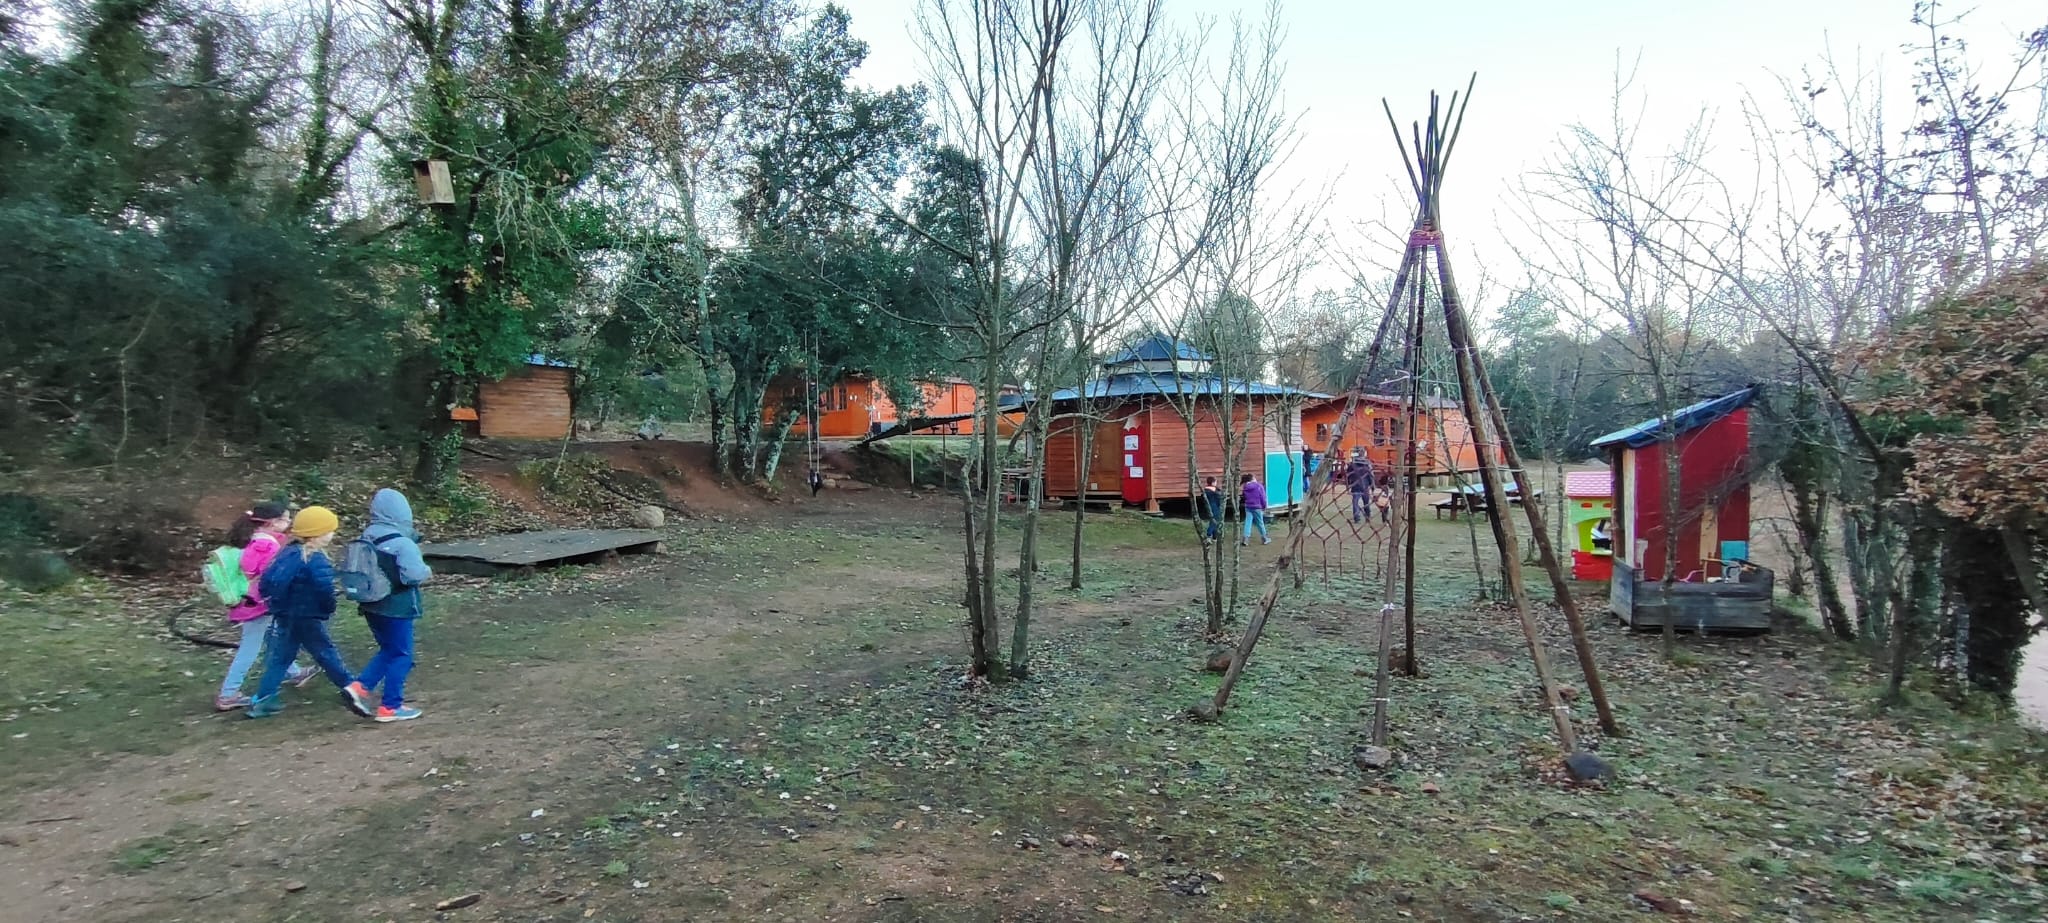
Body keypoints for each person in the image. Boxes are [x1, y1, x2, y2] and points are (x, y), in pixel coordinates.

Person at [248, 507, 364, 719]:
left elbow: (265, 583)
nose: (332, 535)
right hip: (308, 616)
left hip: (284, 614)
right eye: (330, 531)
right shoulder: (316, 559)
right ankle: (351, 688)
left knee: (281, 658)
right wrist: (328, 608)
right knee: (326, 653)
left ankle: (263, 700)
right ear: (317, 534)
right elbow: (325, 589)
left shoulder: (286, 552)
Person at [214, 502, 320, 710]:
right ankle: (228, 694)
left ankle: (295, 672)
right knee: (250, 648)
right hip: (259, 605)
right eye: (286, 518)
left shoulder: (253, 541)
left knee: (273, 637)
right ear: (273, 523)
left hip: (250, 602)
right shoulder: (267, 546)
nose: (289, 522)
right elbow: (275, 576)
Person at [343, 489, 433, 723]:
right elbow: (413, 575)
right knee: (402, 655)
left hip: (371, 604)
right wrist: (427, 571)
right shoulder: (403, 544)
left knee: (388, 649)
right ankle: (390, 707)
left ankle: (359, 687)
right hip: (397, 607)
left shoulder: (368, 536)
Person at [1346, 450, 1376, 523]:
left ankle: (1357, 518)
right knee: (1366, 503)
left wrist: (1348, 485)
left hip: (1355, 486)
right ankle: (1367, 516)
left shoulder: (1352, 464)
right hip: (1365, 486)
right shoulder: (1367, 464)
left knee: (1355, 503)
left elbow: (1348, 476)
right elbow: (1371, 476)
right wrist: (1372, 486)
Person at [1239, 473, 1269, 545]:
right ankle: (1265, 538)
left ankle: (1245, 539)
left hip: (1248, 506)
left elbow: (1244, 497)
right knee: (1260, 522)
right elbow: (1263, 497)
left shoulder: (1245, 487)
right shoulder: (1259, 486)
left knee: (1248, 522)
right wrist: (1264, 506)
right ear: (1252, 478)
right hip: (1257, 507)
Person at [1199, 476, 1223, 543]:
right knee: (1214, 521)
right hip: (1215, 507)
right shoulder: (1215, 491)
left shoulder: (1205, 491)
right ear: (1212, 482)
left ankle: (1214, 537)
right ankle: (1209, 535)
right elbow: (1219, 499)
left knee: (1214, 521)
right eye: (1215, 482)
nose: (1216, 483)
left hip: (1208, 507)